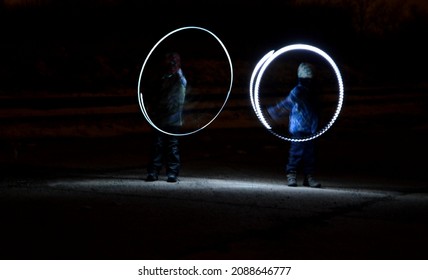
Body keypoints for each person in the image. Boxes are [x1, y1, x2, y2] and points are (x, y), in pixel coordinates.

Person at [267, 62, 321, 188]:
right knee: (296, 151)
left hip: (311, 127)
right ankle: (292, 174)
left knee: (309, 153)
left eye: (309, 79)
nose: (307, 81)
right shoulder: (298, 90)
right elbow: (286, 103)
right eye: (305, 79)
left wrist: (317, 125)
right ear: (300, 78)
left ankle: (309, 177)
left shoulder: (314, 92)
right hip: (298, 127)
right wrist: (273, 112)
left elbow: (317, 110)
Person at [145, 52, 187, 183]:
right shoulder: (162, 77)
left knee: (172, 145)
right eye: (170, 62)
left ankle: (172, 173)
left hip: (173, 118)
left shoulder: (180, 78)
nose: (171, 65)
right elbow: (154, 93)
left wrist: (176, 67)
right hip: (160, 116)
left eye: (174, 62)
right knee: (158, 144)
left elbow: (180, 78)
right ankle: (153, 171)